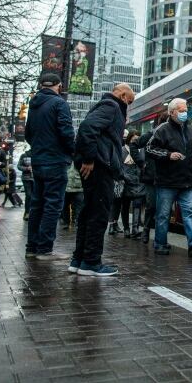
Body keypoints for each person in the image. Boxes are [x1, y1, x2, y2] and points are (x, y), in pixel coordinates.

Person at [72, 83, 135, 277]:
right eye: (130, 102)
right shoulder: (112, 106)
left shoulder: (103, 105)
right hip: (100, 166)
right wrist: (90, 159)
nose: (129, 106)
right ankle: (91, 262)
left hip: (97, 165)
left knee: (88, 212)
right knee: (99, 214)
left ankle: (79, 260)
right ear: (123, 95)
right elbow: (87, 128)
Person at [147, 98, 192, 257]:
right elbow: (149, 149)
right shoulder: (162, 129)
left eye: (185, 109)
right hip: (167, 182)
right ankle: (160, 243)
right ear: (172, 112)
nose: (185, 113)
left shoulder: (190, 130)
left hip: (186, 182)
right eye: (181, 110)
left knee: (189, 213)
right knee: (163, 214)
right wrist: (168, 155)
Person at [24, 73, 76, 260]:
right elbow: (66, 132)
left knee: (37, 204)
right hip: (55, 160)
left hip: (38, 160)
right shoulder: (59, 103)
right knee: (53, 204)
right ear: (59, 86)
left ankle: (32, 247)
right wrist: (72, 151)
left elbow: (28, 133)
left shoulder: (34, 104)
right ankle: (45, 249)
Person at [131, 129, 156, 244]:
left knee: (164, 210)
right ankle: (145, 231)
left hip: (167, 178)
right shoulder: (152, 133)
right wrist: (142, 163)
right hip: (151, 177)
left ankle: (160, 239)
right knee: (150, 206)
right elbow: (134, 144)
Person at [61, 162, 84, 229]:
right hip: (66, 187)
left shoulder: (80, 157)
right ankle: (66, 222)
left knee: (78, 207)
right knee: (65, 206)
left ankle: (77, 222)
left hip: (79, 188)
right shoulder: (65, 158)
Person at [18, 148, 33, 220]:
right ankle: (27, 212)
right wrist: (27, 168)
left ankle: (33, 212)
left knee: (36, 196)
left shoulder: (40, 154)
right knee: (29, 195)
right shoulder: (24, 155)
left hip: (37, 178)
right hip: (26, 178)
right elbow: (19, 166)